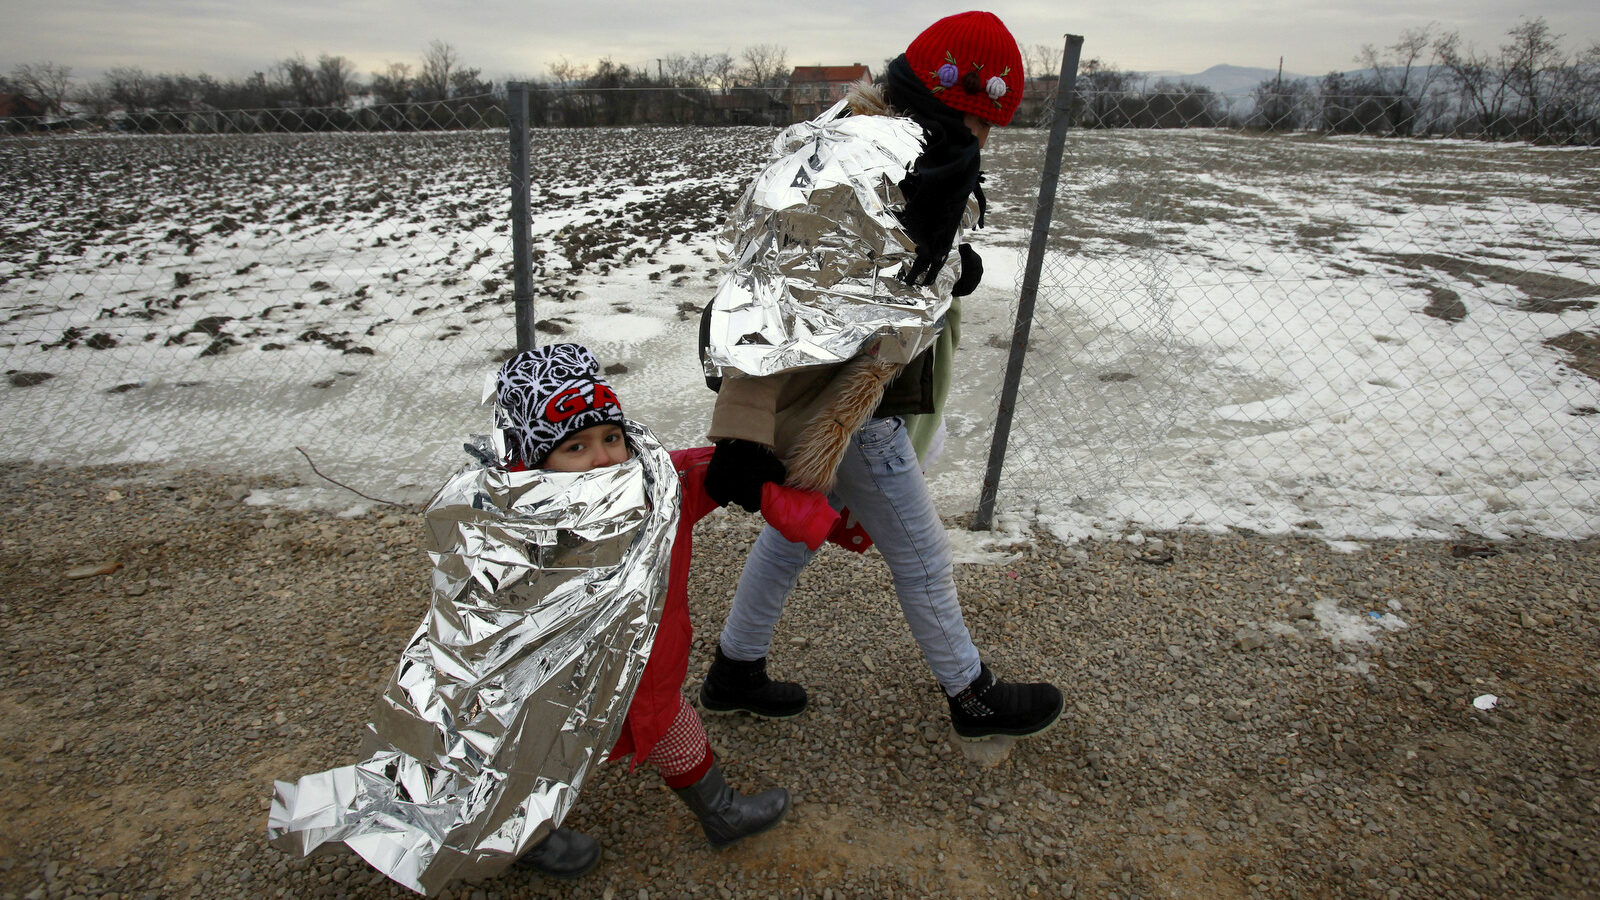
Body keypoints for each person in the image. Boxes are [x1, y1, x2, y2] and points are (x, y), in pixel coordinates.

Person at [269, 344, 812, 894]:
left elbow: (686, 482)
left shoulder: (648, 490)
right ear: (534, 461)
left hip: (648, 664)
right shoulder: (515, 529)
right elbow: (480, 609)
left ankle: (718, 812)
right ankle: (521, 834)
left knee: (667, 724)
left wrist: (728, 474)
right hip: (550, 687)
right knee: (531, 754)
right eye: (575, 446)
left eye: (611, 438)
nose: (603, 458)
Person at [697, 11, 1064, 742]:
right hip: (853, 404)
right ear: (952, 106)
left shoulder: (913, 151)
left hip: (861, 388)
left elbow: (880, 265)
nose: (984, 143)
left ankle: (735, 668)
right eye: (980, 125)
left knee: (792, 538)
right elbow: (771, 286)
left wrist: (951, 269)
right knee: (922, 555)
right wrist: (740, 429)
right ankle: (972, 697)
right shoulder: (862, 162)